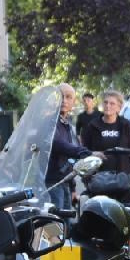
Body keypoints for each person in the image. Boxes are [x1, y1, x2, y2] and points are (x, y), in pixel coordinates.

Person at [46, 82, 92, 211]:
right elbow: (58, 144)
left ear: (74, 102)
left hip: (64, 182)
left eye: (68, 97)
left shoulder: (67, 123)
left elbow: (68, 159)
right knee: (55, 225)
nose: (64, 100)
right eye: (61, 96)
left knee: (66, 224)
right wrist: (84, 152)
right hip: (51, 183)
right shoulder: (48, 121)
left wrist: (72, 188)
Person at [84, 89, 130, 186]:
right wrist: (87, 180)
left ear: (119, 107)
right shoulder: (93, 126)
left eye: (112, 103)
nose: (108, 106)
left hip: (123, 181)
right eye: (105, 102)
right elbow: (85, 153)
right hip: (99, 182)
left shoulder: (126, 125)